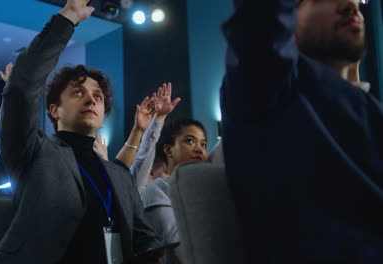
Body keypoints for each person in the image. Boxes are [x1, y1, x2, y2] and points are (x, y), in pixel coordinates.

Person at [0, 0, 162, 263]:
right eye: (78, 92)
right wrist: (68, 17)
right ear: (54, 110)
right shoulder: (33, 151)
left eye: (97, 95)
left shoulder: (118, 174)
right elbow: (21, 86)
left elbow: (145, 239)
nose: (91, 99)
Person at [221, 0, 383, 262]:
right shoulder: (270, 84)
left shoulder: (370, 108)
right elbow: (260, 19)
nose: (350, 6)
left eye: (356, 0)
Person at [142, 119, 208, 263]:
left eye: (203, 144)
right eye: (190, 141)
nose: (199, 149)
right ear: (168, 150)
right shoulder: (159, 189)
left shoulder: (209, 189)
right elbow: (176, 243)